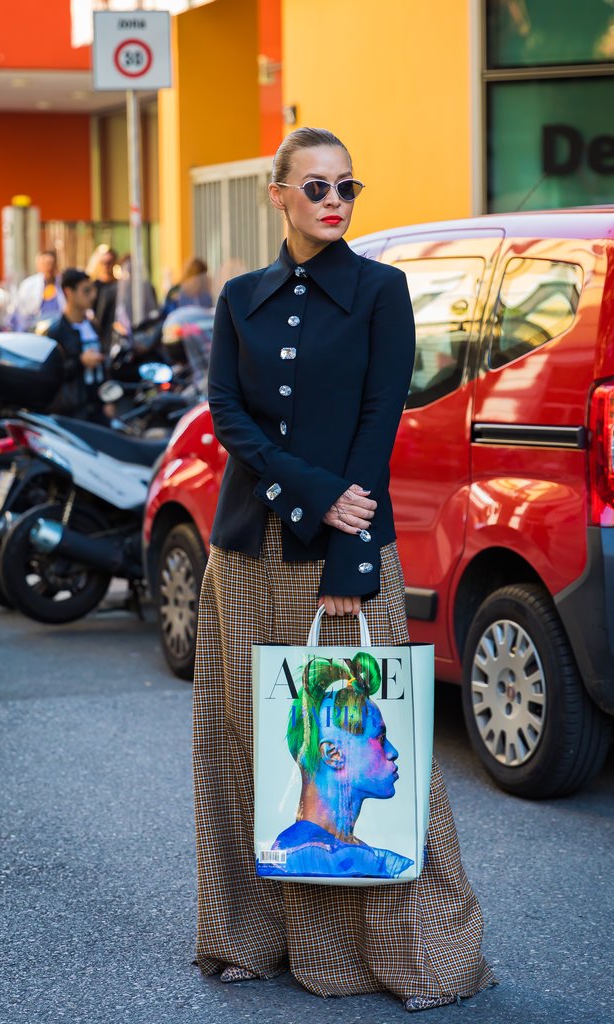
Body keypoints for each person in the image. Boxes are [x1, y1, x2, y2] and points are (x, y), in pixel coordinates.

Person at [193, 127, 496, 1012]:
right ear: (277, 194)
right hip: (245, 554)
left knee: (367, 747)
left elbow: (379, 420)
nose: (334, 201)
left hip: (342, 555)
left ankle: (403, 953)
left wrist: (347, 549)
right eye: (315, 186)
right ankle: (250, 939)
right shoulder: (240, 298)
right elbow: (225, 413)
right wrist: (314, 492)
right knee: (245, 749)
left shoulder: (378, 289)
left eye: (347, 187)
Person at [257, 653, 414, 880]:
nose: (393, 752)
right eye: (380, 738)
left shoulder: (344, 851)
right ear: (333, 754)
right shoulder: (297, 856)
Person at [46, 268, 105, 420]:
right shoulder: (57, 330)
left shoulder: (93, 325)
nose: (93, 296)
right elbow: (53, 373)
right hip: (73, 412)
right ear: (68, 292)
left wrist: (108, 400)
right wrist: (80, 362)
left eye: (93, 290)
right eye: (86, 291)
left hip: (97, 407)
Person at [12, 250, 65, 332]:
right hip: (35, 328)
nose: (49, 268)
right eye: (45, 264)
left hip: (59, 328)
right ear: (38, 266)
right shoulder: (28, 285)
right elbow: (21, 313)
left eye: (51, 264)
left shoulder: (63, 283)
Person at [87, 246, 118, 352]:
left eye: (109, 262)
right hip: (99, 333)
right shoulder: (93, 286)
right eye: (103, 262)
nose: (106, 266)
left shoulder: (119, 285)